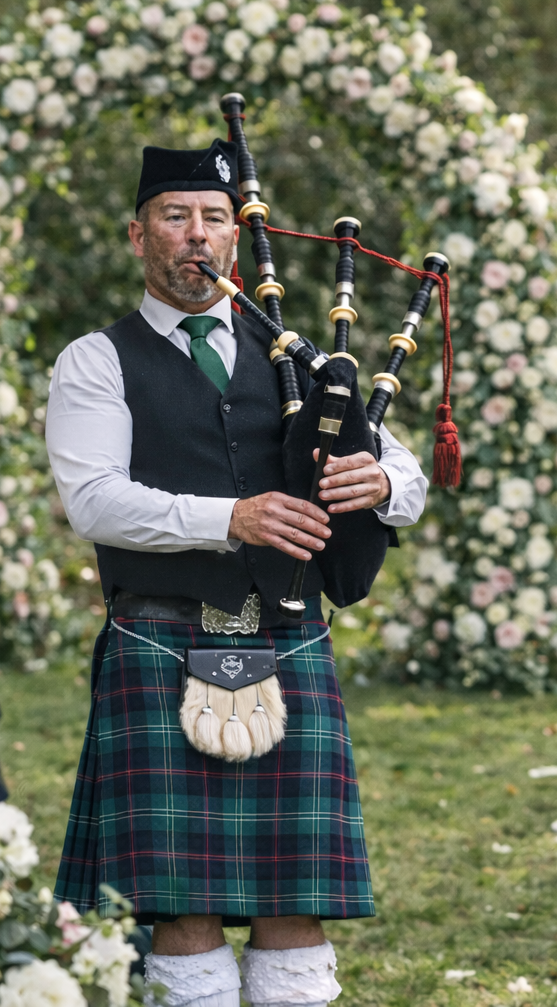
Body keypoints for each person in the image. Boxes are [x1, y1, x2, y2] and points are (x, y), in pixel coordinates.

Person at [45, 140, 428, 1007]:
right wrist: (232, 518)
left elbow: (404, 471)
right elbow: (97, 502)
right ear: (137, 235)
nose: (197, 237)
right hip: (159, 636)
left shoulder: (294, 355)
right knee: (183, 907)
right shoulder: (97, 361)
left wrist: (384, 482)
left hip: (287, 636)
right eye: (175, 218)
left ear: (234, 234)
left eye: (214, 219)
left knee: (296, 904)